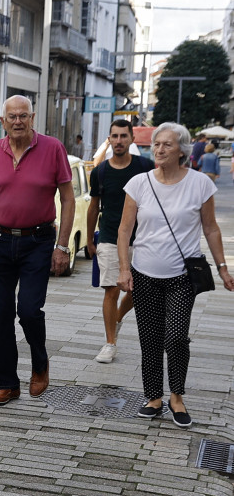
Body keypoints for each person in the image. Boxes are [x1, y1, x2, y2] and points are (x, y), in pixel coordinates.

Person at [117, 122, 234, 428]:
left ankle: (177, 396)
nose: (159, 149)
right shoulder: (139, 183)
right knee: (150, 337)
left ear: (182, 149)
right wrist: (123, 268)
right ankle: (154, 397)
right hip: (144, 273)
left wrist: (222, 267)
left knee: (176, 337)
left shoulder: (200, 184)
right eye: (156, 144)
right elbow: (125, 230)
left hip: (182, 275)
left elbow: (210, 227)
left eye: (167, 145)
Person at [0, 95, 75, 407]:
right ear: (3, 121)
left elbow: (67, 199)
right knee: (0, 315)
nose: (17, 121)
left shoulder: (52, 148)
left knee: (28, 310)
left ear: (32, 117)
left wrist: (62, 246)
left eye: (23, 115)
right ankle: (8, 384)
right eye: (12, 116)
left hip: (38, 241)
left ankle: (40, 363)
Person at [86, 120, 154, 363]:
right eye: (114, 136)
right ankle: (110, 343)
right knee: (112, 289)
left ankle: (116, 317)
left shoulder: (145, 167)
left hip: (143, 239)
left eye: (123, 136)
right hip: (109, 238)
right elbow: (94, 206)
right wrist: (89, 238)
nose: (119, 141)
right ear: (109, 139)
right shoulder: (100, 171)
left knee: (139, 290)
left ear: (132, 139)